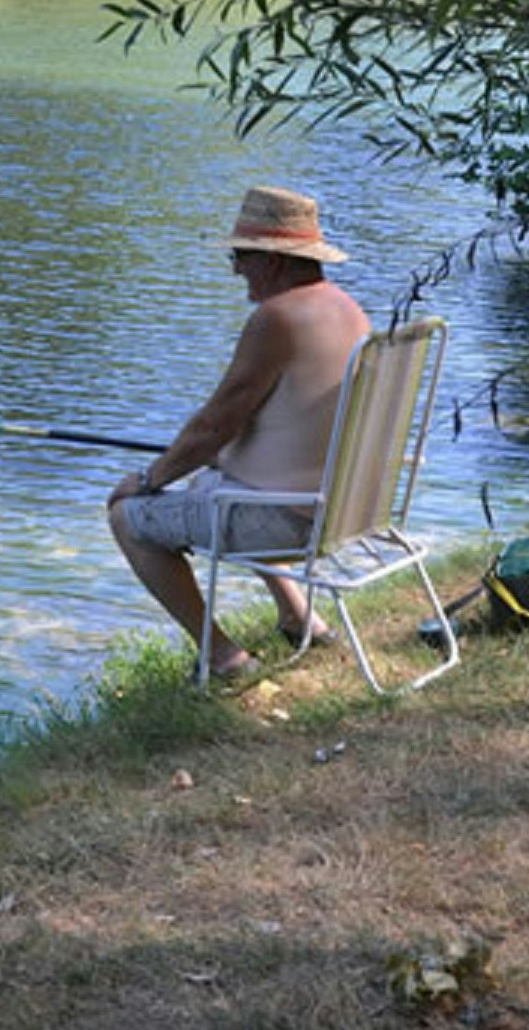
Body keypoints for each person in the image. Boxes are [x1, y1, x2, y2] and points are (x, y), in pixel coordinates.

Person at [107, 186, 372, 679]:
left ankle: (220, 656)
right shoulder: (348, 310)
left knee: (126, 516)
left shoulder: (276, 318)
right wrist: (215, 458)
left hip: (291, 522)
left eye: (240, 256)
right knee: (211, 480)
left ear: (272, 260)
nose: (235, 269)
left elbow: (214, 424)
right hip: (347, 509)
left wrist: (146, 481)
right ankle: (301, 619)